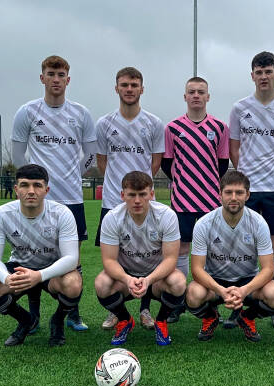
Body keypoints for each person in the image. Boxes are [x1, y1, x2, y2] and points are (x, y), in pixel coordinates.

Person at [11, 55, 95, 333]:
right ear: (42, 78)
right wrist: (34, 185)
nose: (56, 79)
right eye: (51, 73)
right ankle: (33, 314)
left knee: (74, 258)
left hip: (71, 198)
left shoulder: (81, 114)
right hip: (38, 199)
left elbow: (91, 154)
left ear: (68, 79)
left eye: (61, 75)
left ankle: (72, 314)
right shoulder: (27, 112)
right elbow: (18, 154)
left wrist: (72, 175)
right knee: (33, 254)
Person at [228, 51, 274, 330]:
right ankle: (237, 304)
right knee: (242, 247)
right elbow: (235, 147)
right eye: (259, 72)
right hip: (247, 190)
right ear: (252, 76)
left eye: (268, 71)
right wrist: (245, 175)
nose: (264, 76)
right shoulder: (239, 108)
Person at [0, 164, 83, 347]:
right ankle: (26, 320)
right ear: (16, 189)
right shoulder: (1, 214)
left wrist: (39, 275)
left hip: (52, 270)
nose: (31, 191)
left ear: (46, 190)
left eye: (37, 185)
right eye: (25, 185)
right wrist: (6, 278)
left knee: (73, 284)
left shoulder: (62, 213)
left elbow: (71, 258)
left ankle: (57, 320)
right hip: (19, 268)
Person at [95, 66, 165, 331]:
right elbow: (103, 162)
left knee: (147, 256)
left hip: (143, 202)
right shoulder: (104, 124)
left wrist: (139, 191)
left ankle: (146, 309)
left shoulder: (154, 123)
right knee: (119, 258)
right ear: (116, 89)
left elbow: (155, 162)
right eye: (124, 85)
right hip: (113, 202)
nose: (129, 89)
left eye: (134, 85)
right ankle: (117, 311)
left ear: (141, 89)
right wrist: (119, 190)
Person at [161, 76, 230, 323]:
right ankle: (178, 300)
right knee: (181, 249)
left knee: (212, 251)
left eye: (201, 92)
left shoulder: (220, 128)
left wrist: (205, 182)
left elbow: (222, 164)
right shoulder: (172, 128)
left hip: (211, 201)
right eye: (192, 92)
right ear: (185, 96)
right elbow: (167, 163)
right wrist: (185, 181)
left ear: (208, 96)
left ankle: (211, 300)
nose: (196, 96)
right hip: (182, 200)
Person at [186, 171, 274, 343]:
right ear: (219, 195)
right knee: (193, 294)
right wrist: (221, 291)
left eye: (239, 193)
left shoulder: (258, 223)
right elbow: (196, 269)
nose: (233, 197)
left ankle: (247, 318)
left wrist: (243, 291)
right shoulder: (204, 223)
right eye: (228, 192)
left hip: (247, 281)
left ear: (247, 195)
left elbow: (268, 269)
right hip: (215, 281)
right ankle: (210, 317)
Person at [94, 171, 186, 346]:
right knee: (102, 283)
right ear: (123, 195)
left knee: (178, 281)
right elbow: (109, 261)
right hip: (126, 277)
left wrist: (149, 279)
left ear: (151, 194)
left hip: (156, 277)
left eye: (142, 194)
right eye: (132, 195)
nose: (137, 200)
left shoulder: (166, 215)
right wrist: (128, 279)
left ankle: (161, 321)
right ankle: (125, 320)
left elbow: (170, 260)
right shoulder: (112, 218)